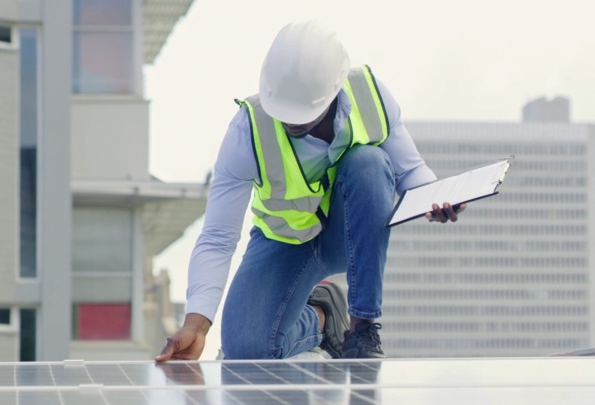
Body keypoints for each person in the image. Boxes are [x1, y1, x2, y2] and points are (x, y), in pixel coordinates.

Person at [155, 21, 464, 362]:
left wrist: (437, 196)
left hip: (347, 237)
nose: (290, 121)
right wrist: (196, 324)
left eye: (301, 113)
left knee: (370, 162)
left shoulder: (370, 96)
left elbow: (410, 170)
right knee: (246, 351)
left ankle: (361, 330)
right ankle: (322, 315)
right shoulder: (247, 130)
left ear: (334, 89)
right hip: (282, 243)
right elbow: (217, 236)